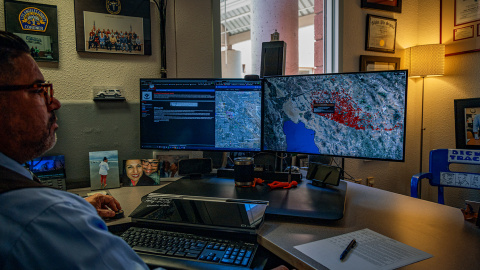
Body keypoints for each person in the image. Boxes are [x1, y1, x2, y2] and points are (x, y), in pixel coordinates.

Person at [0, 31, 149, 269]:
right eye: (38, 90)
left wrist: (76, 203)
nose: (55, 103)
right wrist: (65, 212)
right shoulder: (46, 217)